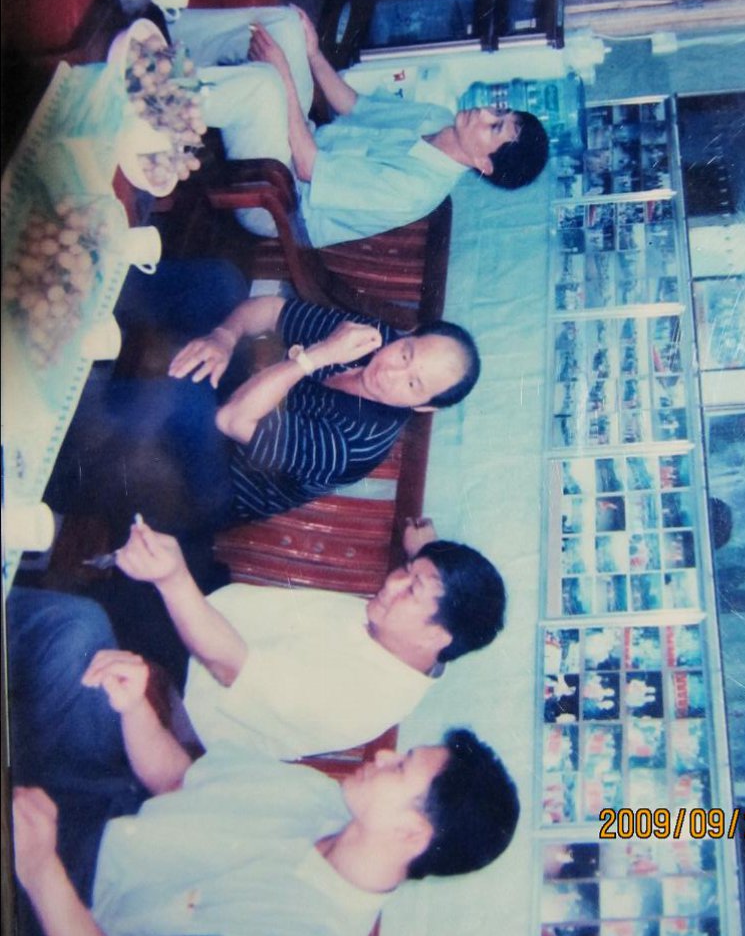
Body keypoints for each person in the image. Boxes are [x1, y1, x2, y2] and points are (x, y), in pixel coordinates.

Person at [12, 648, 520, 936]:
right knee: (73, 633)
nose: (384, 756)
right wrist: (133, 707)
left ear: (412, 833)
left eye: (402, 767)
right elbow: (177, 782)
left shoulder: (302, 925)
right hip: (104, 812)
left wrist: (38, 867)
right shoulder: (324, 798)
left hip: (62, 903)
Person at [44, 262, 481, 536]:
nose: (391, 371)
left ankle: (52, 435)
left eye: (413, 385)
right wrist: (223, 336)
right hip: (255, 394)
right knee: (220, 283)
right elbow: (272, 311)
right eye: (406, 353)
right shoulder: (372, 338)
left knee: (188, 405)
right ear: (407, 334)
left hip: (220, 485)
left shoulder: (355, 444)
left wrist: (315, 357)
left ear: (423, 406)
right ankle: (72, 284)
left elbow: (231, 420)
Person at [101, 515, 506, 759]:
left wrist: (172, 579)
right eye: (406, 571)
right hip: (214, 612)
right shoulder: (416, 640)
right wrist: (425, 554)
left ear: (437, 635)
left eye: (412, 588)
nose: (392, 583)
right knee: (172, 487)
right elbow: (443, 600)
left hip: (184, 686)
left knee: (95, 605)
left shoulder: (361, 699)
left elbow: (228, 666)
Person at [173, 5, 549, 245]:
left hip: (279, 199)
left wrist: (284, 75)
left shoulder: (416, 189)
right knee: (286, 25)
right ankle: (170, 35)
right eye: (500, 112)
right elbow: (353, 105)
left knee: (265, 86)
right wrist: (312, 53)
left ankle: (156, 96)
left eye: (494, 127)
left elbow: (307, 167)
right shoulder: (437, 117)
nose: (484, 113)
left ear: (484, 165)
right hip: (301, 139)